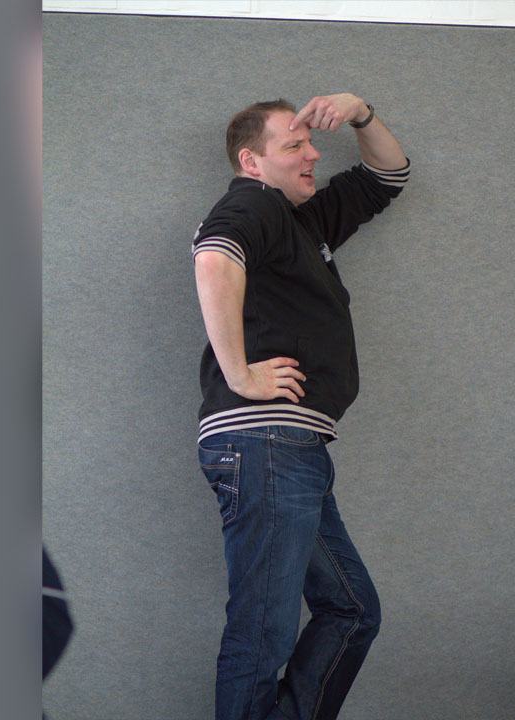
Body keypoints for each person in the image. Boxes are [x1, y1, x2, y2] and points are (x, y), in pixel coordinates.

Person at [190, 93, 410, 720]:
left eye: (310, 142)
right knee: (262, 629)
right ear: (251, 161)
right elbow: (214, 260)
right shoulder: (252, 203)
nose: (313, 153)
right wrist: (240, 373)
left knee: (351, 611)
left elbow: (389, 175)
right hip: (265, 443)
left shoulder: (301, 224)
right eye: (294, 144)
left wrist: (360, 112)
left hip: (291, 449)